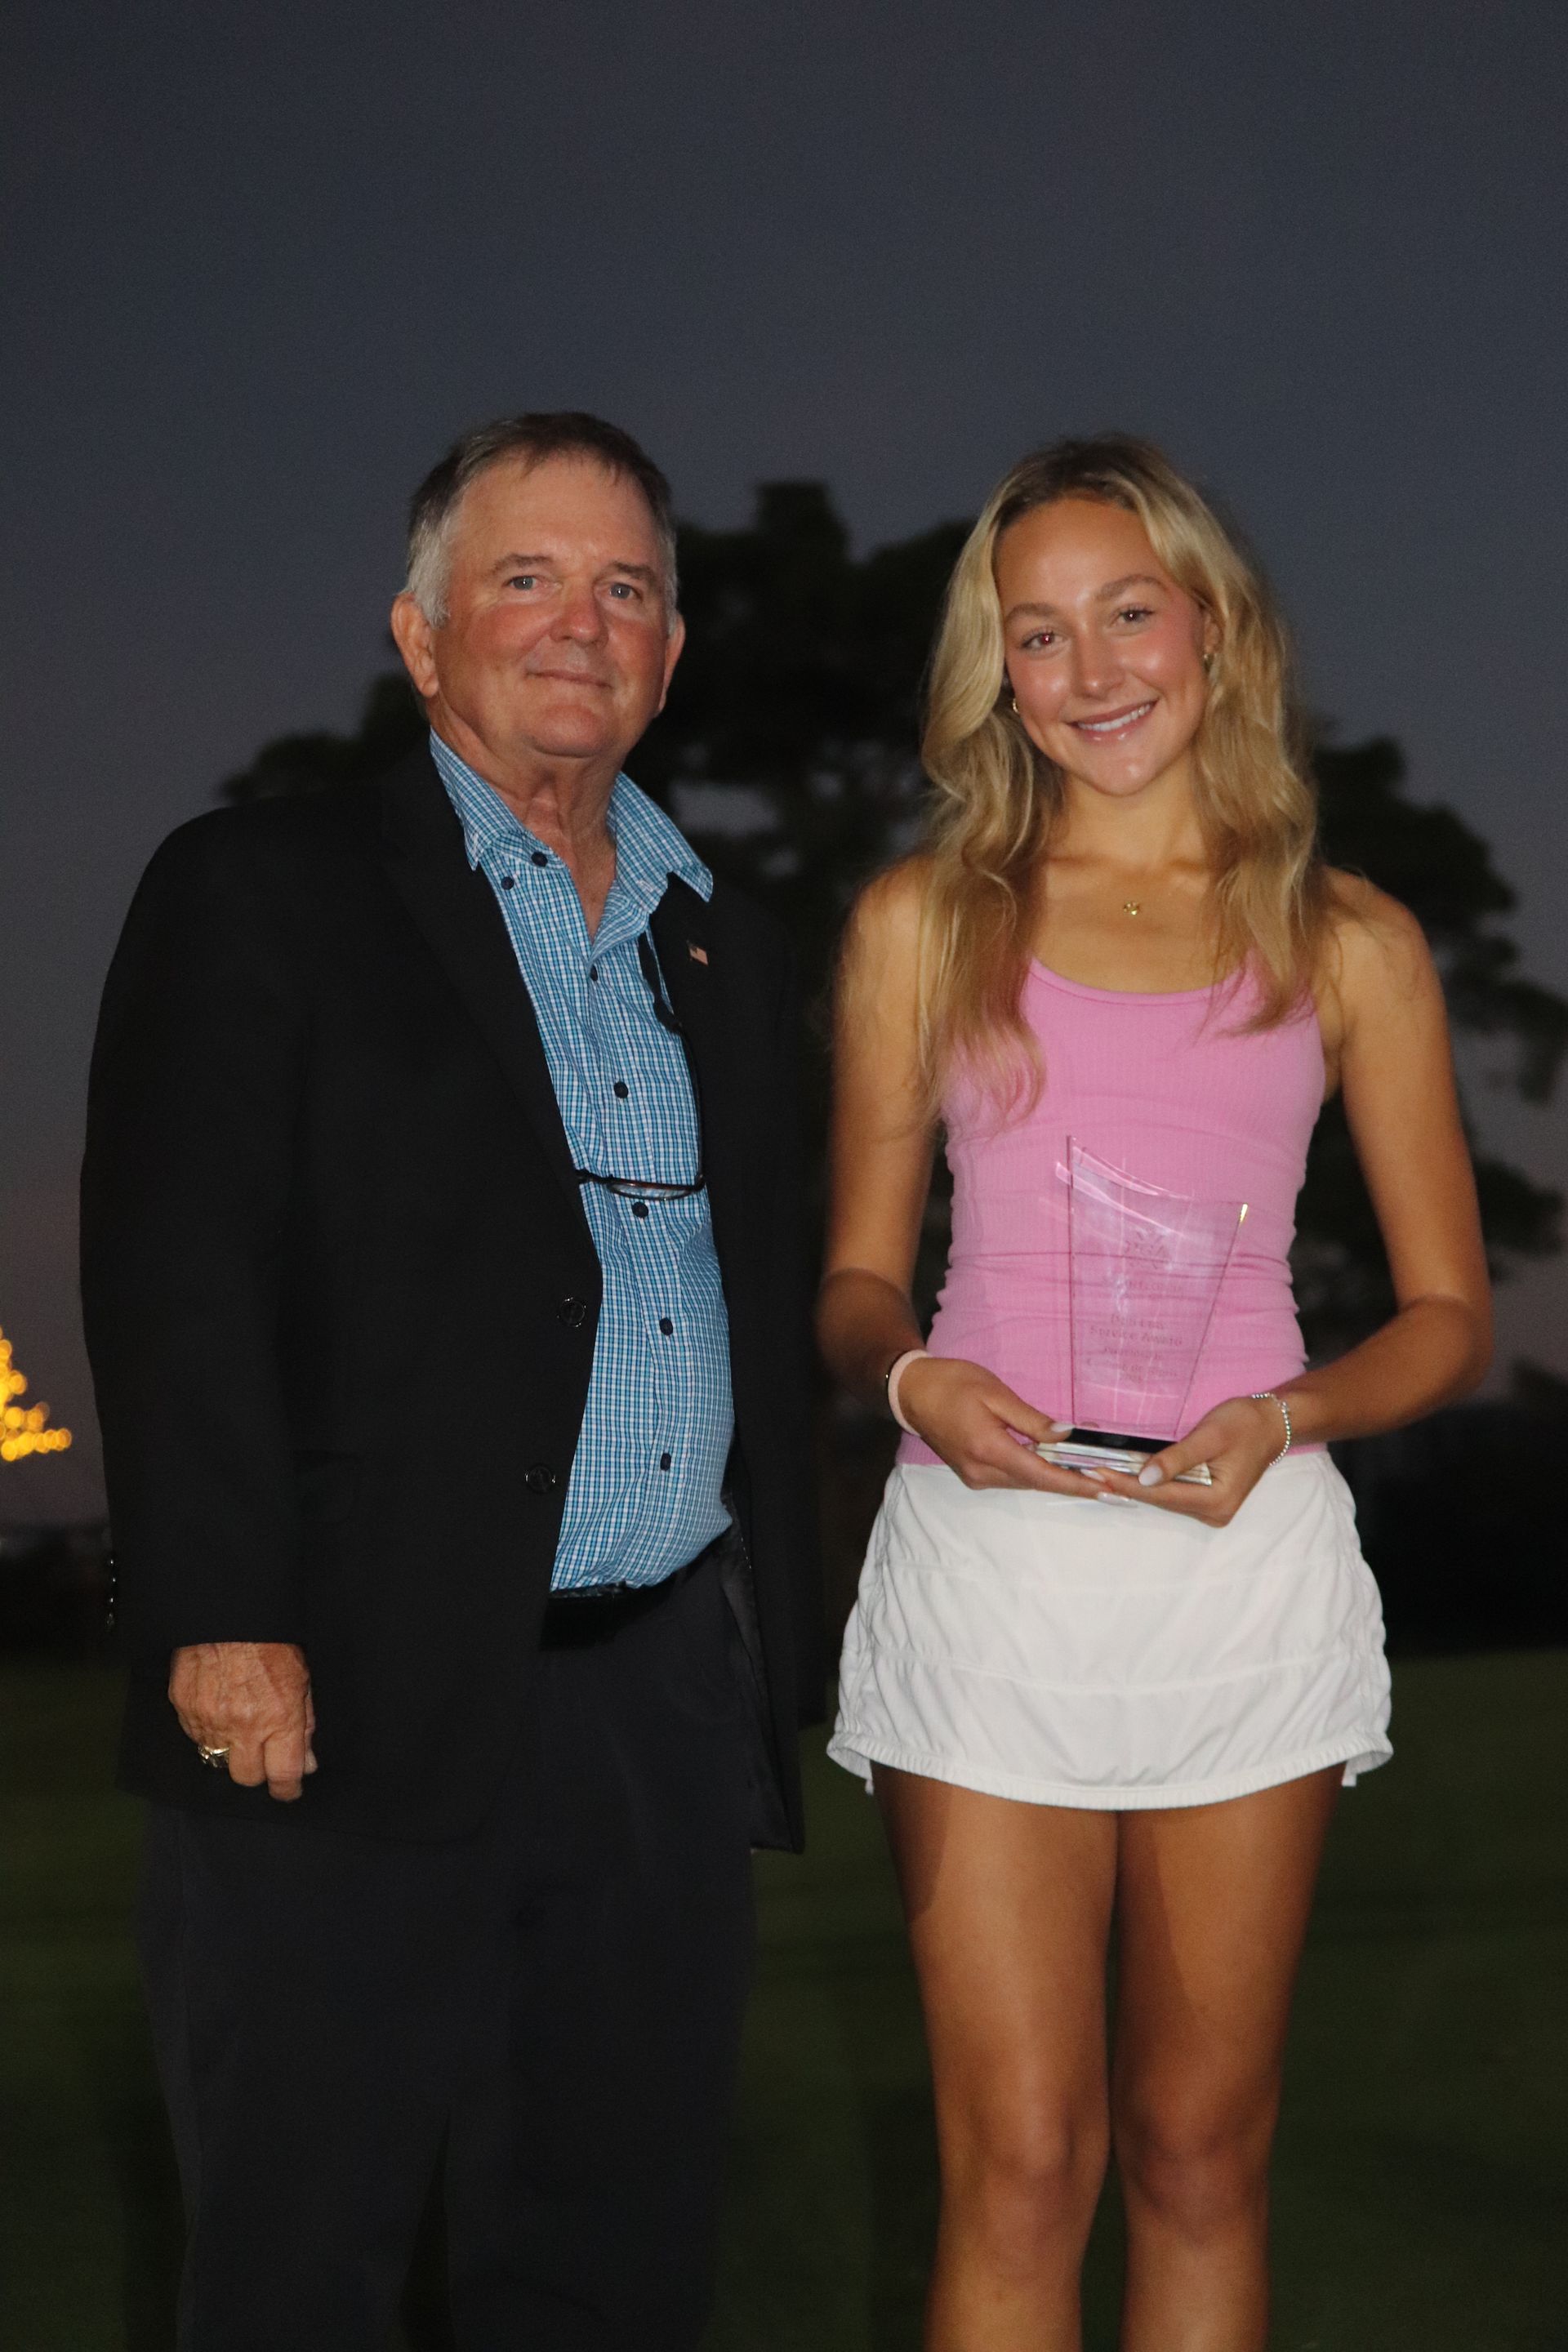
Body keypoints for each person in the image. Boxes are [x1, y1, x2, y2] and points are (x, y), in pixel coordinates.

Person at [81, 410, 822, 2351]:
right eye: (526, 577)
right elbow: (176, 1271)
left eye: (626, 588)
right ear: (419, 636)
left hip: (655, 1703)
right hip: (335, 1689)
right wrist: (221, 1616)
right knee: (297, 2265)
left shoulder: (729, 950)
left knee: (614, 2267)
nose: (582, 621)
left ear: (670, 652)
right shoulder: (263, 886)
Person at [818, 436, 1490, 2352]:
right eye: (1039, 633)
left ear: (1217, 629)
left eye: (1129, 613)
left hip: (1239, 1574)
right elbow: (857, 1284)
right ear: (997, 671)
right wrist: (916, 1378)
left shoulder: (1350, 939)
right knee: (1023, 2168)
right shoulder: (922, 920)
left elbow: (1447, 1315)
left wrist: (1288, 1418)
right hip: (992, 1585)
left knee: (1199, 2157)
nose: (1092, 669)